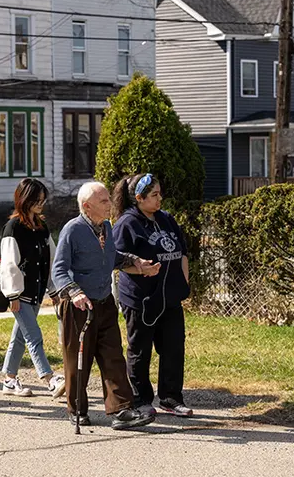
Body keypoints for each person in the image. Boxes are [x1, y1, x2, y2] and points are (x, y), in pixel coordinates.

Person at [52, 182, 158, 430]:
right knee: (79, 360)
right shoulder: (72, 230)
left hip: (104, 302)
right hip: (79, 306)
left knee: (113, 357)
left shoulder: (106, 227)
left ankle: (121, 411)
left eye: (109, 199)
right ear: (87, 206)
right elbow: (59, 269)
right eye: (103, 201)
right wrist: (74, 292)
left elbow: (112, 257)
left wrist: (138, 263)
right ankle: (76, 409)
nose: (110, 204)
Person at [112, 174, 193, 417]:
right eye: (154, 194)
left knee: (173, 348)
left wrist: (183, 284)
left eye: (160, 193)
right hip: (141, 300)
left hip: (169, 298)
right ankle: (140, 400)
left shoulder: (166, 219)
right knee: (140, 350)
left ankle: (170, 398)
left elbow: (183, 253)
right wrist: (139, 268)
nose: (160, 198)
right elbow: (115, 260)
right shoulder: (127, 223)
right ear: (139, 198)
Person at [0, 178, 65, 398]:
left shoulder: (41, 226)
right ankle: (49, 379)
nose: (40, 204)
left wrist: (54, 288)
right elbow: (9, 263)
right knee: (33, 336)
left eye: (42, 200)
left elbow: (50, 258)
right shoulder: (13, 228)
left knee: (20, 337)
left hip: (36, 292)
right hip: (20, 294)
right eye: (36, 200)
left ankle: (9, 380)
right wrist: (13, 294)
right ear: (24, 199)